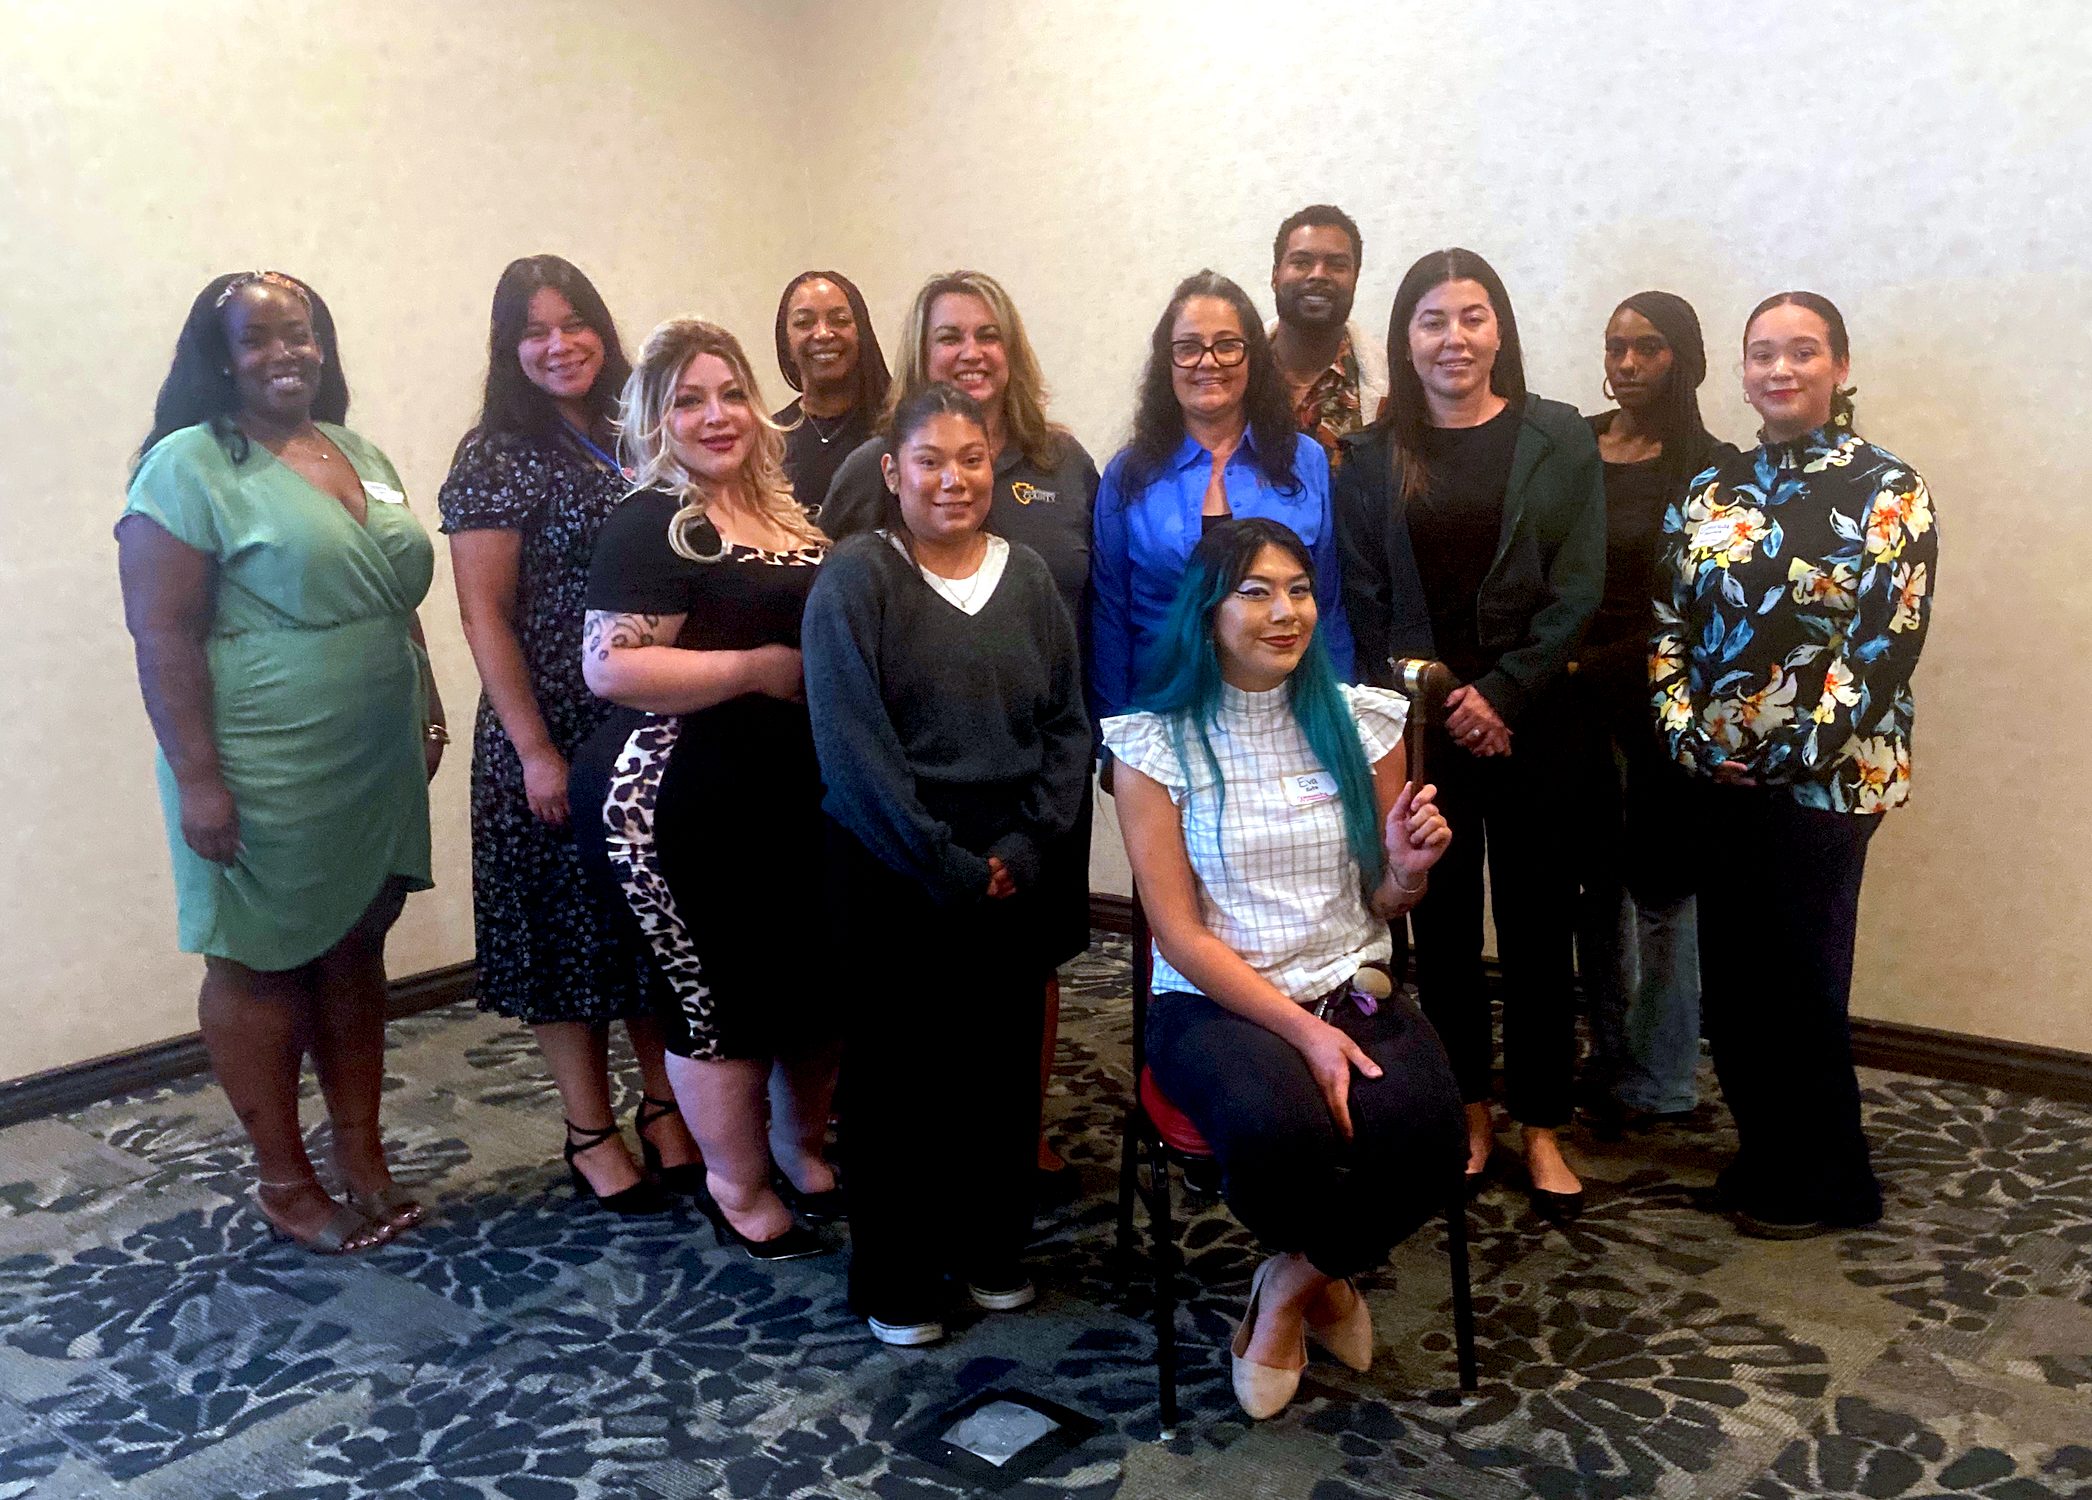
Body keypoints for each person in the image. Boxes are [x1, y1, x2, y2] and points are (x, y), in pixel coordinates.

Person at [1102, 517, 1462, 1421]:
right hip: (1215, 1002)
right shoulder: (1155, 747)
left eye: (1298, 589)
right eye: (1255, 591)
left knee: (1431, 1136)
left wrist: (1408, 872)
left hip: (1349, 978)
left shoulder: (1361, 723)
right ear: (1207, 611)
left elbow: (1383, 901)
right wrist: (1304, 1033)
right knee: (1276, 1135)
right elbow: (1178, 936)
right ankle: (1329, 1277)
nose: (1283, 610)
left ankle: (1292, 1282)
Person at [117, 271, 444, 1253]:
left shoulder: (355, 449)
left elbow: (393, 590)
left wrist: (425, 702)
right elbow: (161, 634)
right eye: (257, 339)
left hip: (373, 753)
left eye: (299, 334)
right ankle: (283, 1178)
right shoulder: (186, 466)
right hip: (261, 762)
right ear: (219, 358)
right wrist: (201, 777)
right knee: (260, 960)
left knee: (355, 949)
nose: (284, 354)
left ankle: (360, 1153)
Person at [803, 382, 1091, 1346]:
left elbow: (1064, 726)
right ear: (894, 473)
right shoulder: (856, 577)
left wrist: (1021, 847)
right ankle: (899, 1274)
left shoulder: (1029, 579)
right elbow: (853, 748)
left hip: (1013, 856)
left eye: (972, 460)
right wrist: (946, 864)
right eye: (929, 461)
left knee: (1000, 1070)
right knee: (896, 1082)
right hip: (893, 864)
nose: (952, 480)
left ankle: (992, 1247)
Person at [1653, 291, 1937, 1238]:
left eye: (1803, 352)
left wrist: (1786, 752)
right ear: (1742, 371)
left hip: (1828, 779)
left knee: (1802, 981)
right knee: (1733, 982)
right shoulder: (1709, 489)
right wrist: (1689, 733)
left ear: (1840, 367)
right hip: (1720, 773)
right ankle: (1768, 1153)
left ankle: (1836, 1182)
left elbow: (1885, 641)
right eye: (1763, 354)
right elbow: (1667, 626)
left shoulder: (1887, 488)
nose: (1780, 370)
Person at [1335, 248, 1605, 1221]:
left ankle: (1542, 1124)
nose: (1454, 338)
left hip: (1532, 725)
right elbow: (1364, 608)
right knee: (1442, 931)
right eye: (1431, 320)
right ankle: (1470, 1110)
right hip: (1419, 730)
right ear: (1403, 341)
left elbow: (1578, 585)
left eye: (1472, 316)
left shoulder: (1559, 437)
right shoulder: (1366, 461)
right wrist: (1438, 702)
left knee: (1539, 929)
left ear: (1500, 331)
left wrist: (1502, 693)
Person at [820, 269, 1099, 1183]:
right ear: (895, 471)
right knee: (900, 1049)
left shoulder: (1057, 482)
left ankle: (1004, 1195)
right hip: (905, 832)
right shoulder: (866, 523)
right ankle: (905, 1247)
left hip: (1023, 810)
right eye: (950, 336)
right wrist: (928, 850)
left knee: (1010, 1018)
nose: (953, 478)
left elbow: (1079, 673)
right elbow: (855, 693)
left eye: (988, 335)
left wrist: (1034, 832)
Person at [568, 318, 835, 1260]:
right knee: (716, 993)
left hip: (789, 797)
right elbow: (614, 669)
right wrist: (759, 666)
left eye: (730, 394)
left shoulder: (789, 518)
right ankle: (737, 1185)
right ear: (655, 418)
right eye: (689, 399)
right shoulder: (654, 519)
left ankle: (803, 1151)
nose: (716, 415)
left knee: (802, 985)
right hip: (676, 799)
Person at [439, 255, 700, 1216]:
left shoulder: (637, 433)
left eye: (575, 321)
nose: (561, 344)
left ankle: (667, 1107)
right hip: (544, 727)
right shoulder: (495, 455)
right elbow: (482, 615)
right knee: (563, 945)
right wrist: (537, 750)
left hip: (639, 721)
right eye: (536, 330)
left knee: (644, 931)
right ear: (511, 348)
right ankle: (590, 1128)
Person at [1570, 291, 1737, 1135]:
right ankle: (1609, 1056)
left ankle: (1666, 1075)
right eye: (1615, 346)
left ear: (1687, 358)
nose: (1627, 363)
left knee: (1663, 888)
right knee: (1592, 885)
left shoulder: (1716, 465)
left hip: (1659, 701)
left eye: (1649, 347)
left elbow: (1703, 605)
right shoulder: (1570, 446)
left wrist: (1592, 660)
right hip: (1564, 700)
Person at [1090, 269, 1356, 727]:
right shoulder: (1127, 474)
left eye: (1227, 345)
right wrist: (1116, 734)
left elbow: (1328, 602)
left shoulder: (1306, 461)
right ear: (1166, 363)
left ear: (1253, 358)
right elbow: (1110, 613)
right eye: (1188, 347)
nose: (1207, 361)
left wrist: (1339, 713)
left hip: (1289, 712)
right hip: (1161, 713)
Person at [1265, 205, 1390, 469]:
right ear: (1275, 275)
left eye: (1337, 265)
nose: (1318, 275)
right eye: (1301, 262)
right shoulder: (1234, 370)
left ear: (1355, 278)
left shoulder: (1390, 385)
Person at [771, 270, 890, 515]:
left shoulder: (901, 426)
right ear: (786, 344)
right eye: (804, 323)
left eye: (840, 320)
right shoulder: (767, 440)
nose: (823, 333)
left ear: (861, 333)